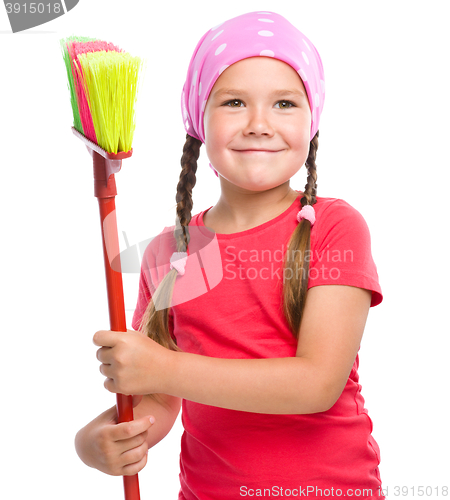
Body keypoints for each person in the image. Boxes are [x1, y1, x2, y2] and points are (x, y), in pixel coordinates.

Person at [75, 10, 385, 499]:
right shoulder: (168, 253)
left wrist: (161, 368)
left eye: (284, 103)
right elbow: (158, 395)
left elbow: (315, 383)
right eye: (235, 101)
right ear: (200, 119)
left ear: (313, 120)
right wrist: (102, 439)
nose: (259, 125)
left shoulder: (334, 228)